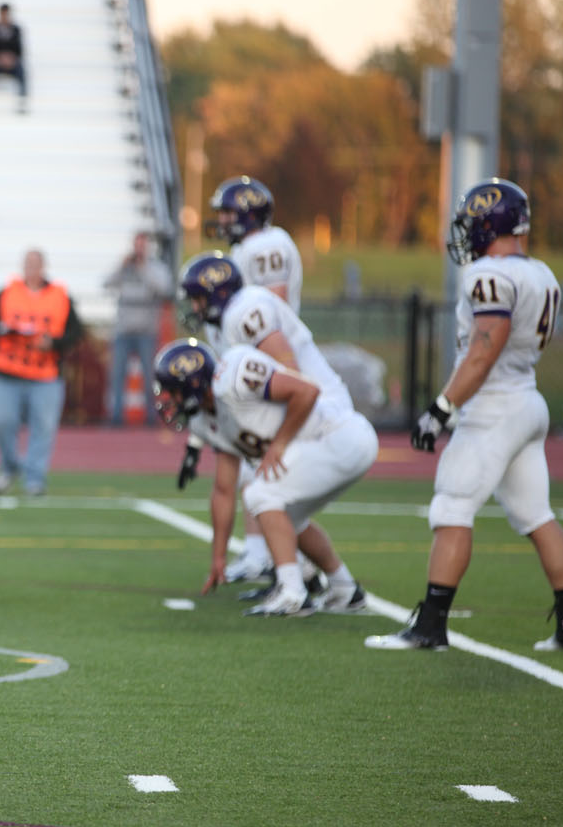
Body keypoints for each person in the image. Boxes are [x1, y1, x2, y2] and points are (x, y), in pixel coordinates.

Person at [367, 178, 563, 653]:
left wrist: (441, 407)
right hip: (526, 399)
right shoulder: (543, 274)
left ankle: (430, 626)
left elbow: (485, 348)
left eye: (472, 223)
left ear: (491, 223)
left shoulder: (488, 274)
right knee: (537, 515)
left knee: (452, 507)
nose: (466, 233)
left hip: (493, 406)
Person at [155, 339, 375, 617]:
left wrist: (279, 444)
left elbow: (306, 391)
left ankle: (292, 593)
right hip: (323, 448)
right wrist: (219, 558)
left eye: (173, 391)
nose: (169, 401)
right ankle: (344, 589)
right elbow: (224, 489)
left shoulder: (234, 375)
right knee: (286, 518)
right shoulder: (204, 420)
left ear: (193, 383)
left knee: (260, 494)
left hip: (340, 435)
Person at [177, 250, 353, 590]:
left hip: (319, 406)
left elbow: (290, 372)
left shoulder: (245, 310)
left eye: (198, 299)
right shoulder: (224, 323)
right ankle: (303, 573)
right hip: (300, 403)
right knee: (263, 486)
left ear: (216, 294)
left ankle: (293, 579)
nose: (194, 308)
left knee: (265, 489)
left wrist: (282, 437)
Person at [0, 249, 82, 496]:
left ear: (43, 267)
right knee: (2, 421)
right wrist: (1, 332)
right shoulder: (7, 292)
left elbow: (76, 332)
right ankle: (9, 467)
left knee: (44, 427)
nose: (32, 269)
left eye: (36, 264)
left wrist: (54, 343)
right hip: (9, 371)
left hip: (45, 373)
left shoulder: (60, 296)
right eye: (28, 264)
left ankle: (34, 477)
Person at [104, 230, 172, 426]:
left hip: (146, 330)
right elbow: (107, 283)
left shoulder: (156, 268)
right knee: (117, 375)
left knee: (149, 376)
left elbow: (163, 288)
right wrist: (121, 267)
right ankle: (116, 416)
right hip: (123, 330)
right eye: (137, 245)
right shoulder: (125, 267)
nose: (139, 249)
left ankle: (150, 417)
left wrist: (143, 269)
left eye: (143, 245)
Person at [209, 176, 303, 313]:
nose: (221, 220)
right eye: (220, 213)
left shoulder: (268, 244)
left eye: (227, 212)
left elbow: (276, 308)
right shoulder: (241, 246)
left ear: (250, 215)